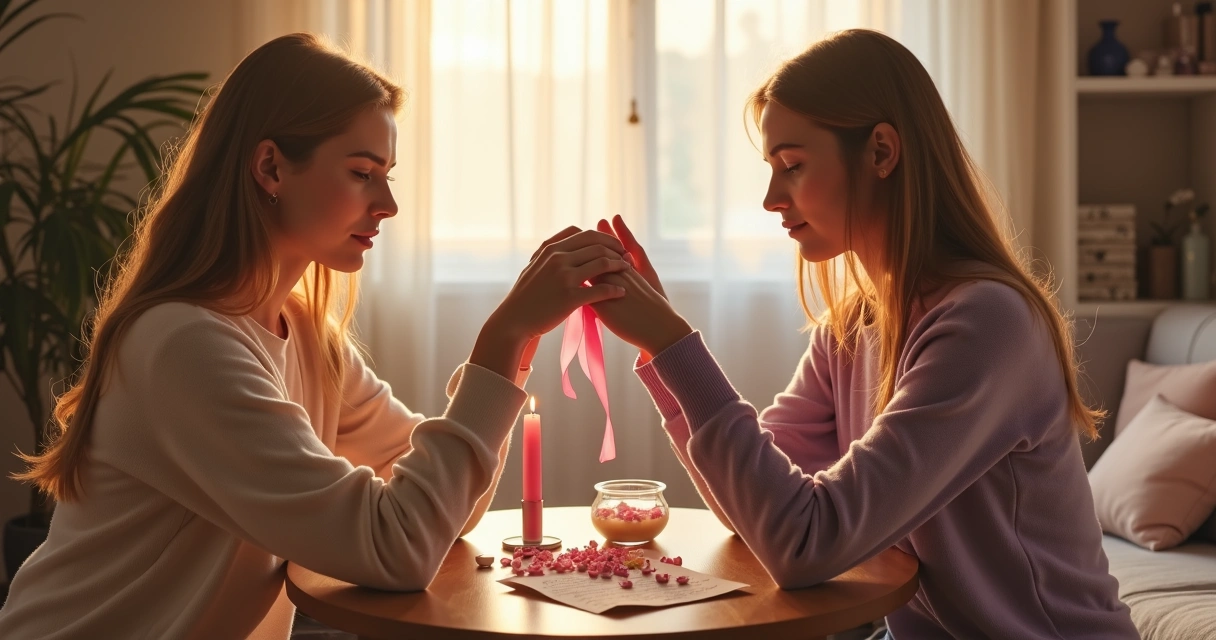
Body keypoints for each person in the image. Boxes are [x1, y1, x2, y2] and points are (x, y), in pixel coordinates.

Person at [0, 33, 630, 639]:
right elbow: (397, 549)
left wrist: (515, 349)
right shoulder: (184, 346)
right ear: (271, 167)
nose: (388, 203)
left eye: (387, 175)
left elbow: (444, 518)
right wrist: (501, 338)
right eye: (362, 172)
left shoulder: (301, 333)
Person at [589, 29, 1139, 639]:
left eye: (793, 166)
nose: (772, 198)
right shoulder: (853, 327)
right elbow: (757, 515)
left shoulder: (987, 324)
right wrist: (661, 355)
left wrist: (675, 345)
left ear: (881, 152)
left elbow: (806, 543)